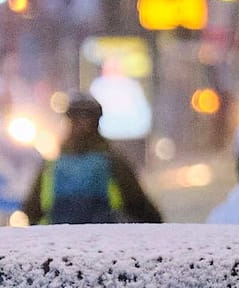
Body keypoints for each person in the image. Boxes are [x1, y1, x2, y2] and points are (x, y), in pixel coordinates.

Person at [20, 93, 162, 225]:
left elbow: (32, 210)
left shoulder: (52, 165)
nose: (82, 124)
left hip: (58, 245)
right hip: (103, 246)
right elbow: (140, 206)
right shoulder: (112, 162)